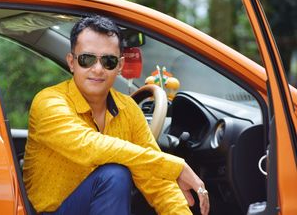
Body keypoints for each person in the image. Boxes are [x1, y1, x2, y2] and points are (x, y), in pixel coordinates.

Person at [22, 15, 210, 215]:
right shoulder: (49, 101)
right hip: (51, 212)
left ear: (119, 66)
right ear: (71, 62)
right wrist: (175, 165)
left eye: (108, 61)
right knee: (115, 174)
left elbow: (156, 180)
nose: (97, 69)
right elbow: (91, 147)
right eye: (87, 59)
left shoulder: (128, 109)